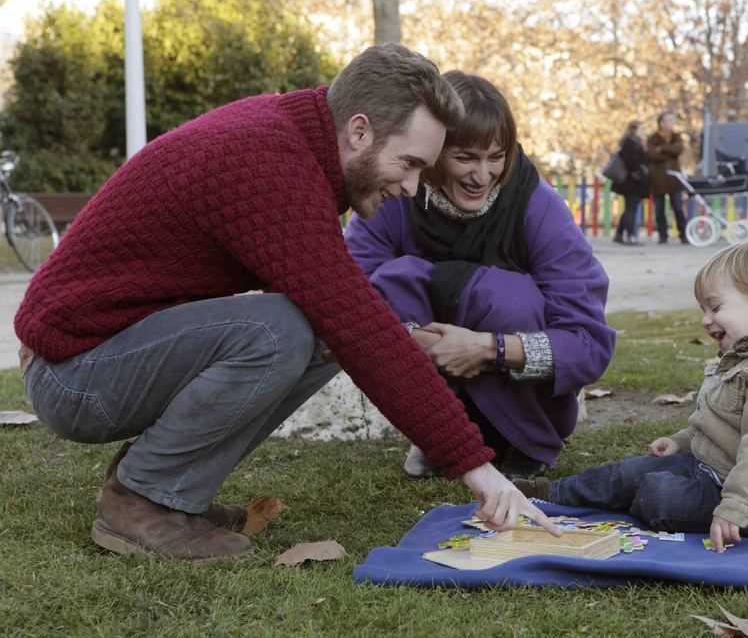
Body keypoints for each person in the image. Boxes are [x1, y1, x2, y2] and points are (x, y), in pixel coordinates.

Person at [14, 44, 559, 561]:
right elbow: (355, 322)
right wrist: (478, 470)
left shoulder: (294, 142)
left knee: (319, 332)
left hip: (104, 354)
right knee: (283, 329)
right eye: (410, 163)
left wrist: (409, 343)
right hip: (73, 372)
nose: (414, 188)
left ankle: (174, 492)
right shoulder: (271, 163)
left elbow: (350, 317)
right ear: (360, 131)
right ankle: (141, 499)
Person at [344, 72, 616, 482]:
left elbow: (589, 343)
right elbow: (348, 295)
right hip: (430, 379)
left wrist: (489, 348)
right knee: (397, 279)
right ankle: (437, 432)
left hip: (523, 394)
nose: (483, 175)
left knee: (509, 297)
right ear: (435, 150)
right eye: (465, 157)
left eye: (496, 156)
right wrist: (420, 342)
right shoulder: (395, 192)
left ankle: (524, 439)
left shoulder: (540, 207)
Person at [514, 240, 748, 552]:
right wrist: (681, 443)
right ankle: (545, 494)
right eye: (703, 310)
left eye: (715, 307)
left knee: (657, 494)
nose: (705, 321)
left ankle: (638, 500)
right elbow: (722, 424)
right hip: (715, 471)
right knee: (628, 473)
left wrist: (736, 509)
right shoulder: (746, 358)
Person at [647, 112, 688, 244]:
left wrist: (662, 148)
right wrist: (670, 152)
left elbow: (679, 149)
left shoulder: (676, 136)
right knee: (659, 210)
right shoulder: (653, 138)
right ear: (662, 123)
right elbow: (652, 155)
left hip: (674, 179)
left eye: (673, 120)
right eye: (669, 120)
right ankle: (662, 235)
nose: (672, 122)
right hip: (658, 179)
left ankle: (683, 234)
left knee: (677, 208)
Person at [611, 120, 648, 245]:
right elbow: (631, 161)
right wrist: (639, 173)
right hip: (631, 182)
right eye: (640, 129)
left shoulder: (633, 142)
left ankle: (619, 234)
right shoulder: (630, 143)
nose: (642, 132)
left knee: (629, 208)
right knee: (631, 209)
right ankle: (630, 235)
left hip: (631, 182)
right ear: (634, 130)